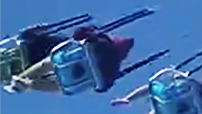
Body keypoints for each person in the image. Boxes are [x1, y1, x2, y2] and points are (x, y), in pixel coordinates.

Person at [9, 27, 137, 94]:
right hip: (73, 79)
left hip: (66, 61)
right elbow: (102, 88)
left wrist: (91, 32)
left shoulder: (101, 41)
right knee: (58, 86)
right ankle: (28, 85)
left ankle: (21, 79)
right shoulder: (113, 69)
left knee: (47, 64)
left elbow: (78, 35)